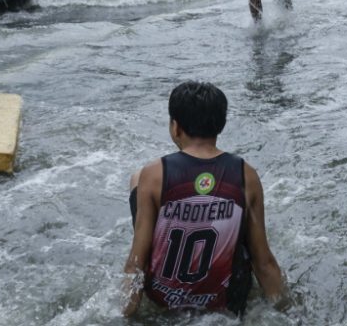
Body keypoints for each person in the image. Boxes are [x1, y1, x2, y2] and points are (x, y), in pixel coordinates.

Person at [122, 81, 285, 317]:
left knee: (137, 180)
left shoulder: (154, 174)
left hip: (164, 302)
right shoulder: (246, 174)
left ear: (175, 127)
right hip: (226, 305)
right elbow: (264, 263)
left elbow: (136, 266)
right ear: (220, 126)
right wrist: (289, 312)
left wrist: (125, 316)